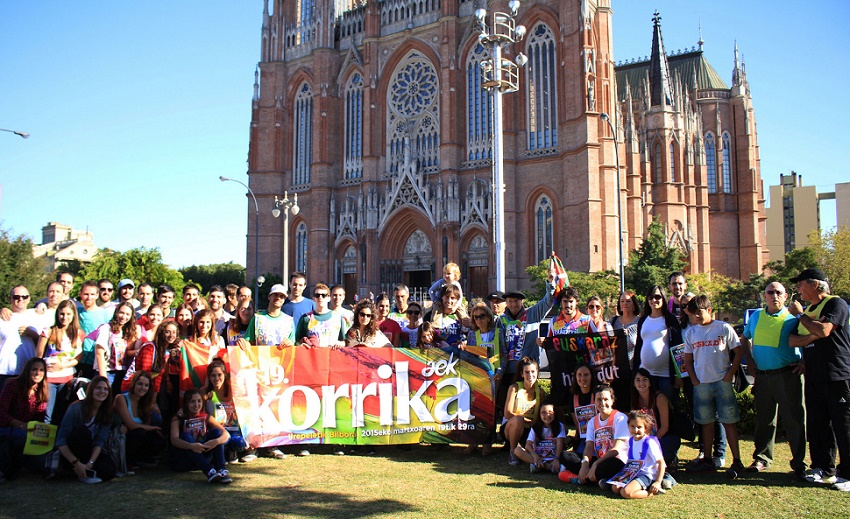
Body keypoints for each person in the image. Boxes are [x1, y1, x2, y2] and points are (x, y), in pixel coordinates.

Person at [787, 268, 850, 487]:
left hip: (837, 374)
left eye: (801, 283)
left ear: (815, 284)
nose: (798, 288)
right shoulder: (810, 310)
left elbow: (824, 331)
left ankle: (848, 474)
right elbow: (793, 341)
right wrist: (814, 331)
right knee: (818, 424)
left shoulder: (836, 304)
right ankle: (824, 468)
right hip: (813, 375)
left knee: (843, 425)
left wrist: (802, 317)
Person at [739, 281, 806, 478]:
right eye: (770, 292)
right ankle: (762, 458)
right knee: (764, 420)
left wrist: (806, 362)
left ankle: (799, 463)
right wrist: (749, 360)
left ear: (786, 296)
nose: (774, 295)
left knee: (794, 420)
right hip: (763, 377)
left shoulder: (793, 318)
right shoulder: (757, 316)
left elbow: (811, 338)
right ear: (764, 296)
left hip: (787, 375)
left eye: (778, 292)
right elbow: (745, 338)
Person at [683, 295, 745, 478]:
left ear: (709, 310)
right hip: (702, 384)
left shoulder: (723, 328)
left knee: (729, 422)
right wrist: (694, 379)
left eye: (700, 313)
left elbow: (738, 351)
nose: (696, 317)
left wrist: (729, 375)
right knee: (706, 423)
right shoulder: (691, 333)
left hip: (722, 383)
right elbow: (687, 358)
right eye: (693, 314)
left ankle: (737, 460)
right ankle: (708, 459)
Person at [236, 283, 294, 460]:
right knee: (256, 407)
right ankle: (253, 447)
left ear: (284, 300)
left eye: (282, 297)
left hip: (279, 371)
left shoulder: (288, 321)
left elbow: (293, 344)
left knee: (275, 408)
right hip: (258, 369)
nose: (278, 299)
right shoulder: (258, 318)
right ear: (269, 297)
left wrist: (292, 343)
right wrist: (244, 342)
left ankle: (273, 445)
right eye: (275, 295)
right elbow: (247, 340)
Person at [560, 385, 628, 487]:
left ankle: (582, 479)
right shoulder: (593, 421)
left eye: (606, 399)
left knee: (613, 464)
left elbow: (616, 450)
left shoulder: (620, 418)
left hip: (615, 460)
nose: (602, 403)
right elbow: (589, 447)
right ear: (595, 401)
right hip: (599, 461)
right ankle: (598, 479)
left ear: (612, 401)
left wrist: (595, 464)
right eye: (599, 400)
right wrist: (585, 463)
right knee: (565, 455)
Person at [56, 375, 117, 483]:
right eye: (98, 388)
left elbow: (99, 442)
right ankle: (76, 469)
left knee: (110, 471)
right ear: (91, 389)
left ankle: (86, 470)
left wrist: (90, 463)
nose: (102, 391)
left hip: (90, 451)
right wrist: (76, 463)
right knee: (83, 432)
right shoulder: (75, 408)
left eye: (105, 389)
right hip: (72, 452)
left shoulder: (107, 413)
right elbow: (61, 441)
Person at [463, 302, 505, 456]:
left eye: (482, 316)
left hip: (495, 376)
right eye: (476, 317)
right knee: (476, 409)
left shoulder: (498, 333)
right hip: (478, 377)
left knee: (491, 410)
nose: (479, 320)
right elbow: (471, 357)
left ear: (488, 317)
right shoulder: (472, 336)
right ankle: (473, 442)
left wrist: (500, 371)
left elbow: (504, 354)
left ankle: (488, 442)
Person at [169, 388, 231, 483]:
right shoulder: (178, 418)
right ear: (186, 403)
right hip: (184, 459)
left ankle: (221, 470)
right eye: (192, 402)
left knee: (217, 433)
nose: (196, 405)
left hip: (203, 454)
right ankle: (209, 471)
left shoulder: (207, 417)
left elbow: (226, 434)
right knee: (186, 435)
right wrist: (191, 446)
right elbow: (174, 440)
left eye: (199, 401)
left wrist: (215, 442)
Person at [0, 357, 49, 480]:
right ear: (27, 370)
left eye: (41, 370)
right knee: (20, 438)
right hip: (6, 427)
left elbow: (40, 416)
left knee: (42, 465)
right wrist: (21, 425)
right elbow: (1, 412)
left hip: (27, 430)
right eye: (34, 369)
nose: (38, 373)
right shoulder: (12, 384)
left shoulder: (42, 389)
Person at [36, 299, 83, 423]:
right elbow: (39, 356)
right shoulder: (48, 331)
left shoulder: (78, 334)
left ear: (73, 315)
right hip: (49, 377)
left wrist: (62, 365)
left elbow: (77, 359)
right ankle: (44, 441)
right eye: (62, 314)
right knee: (47, 413)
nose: (64, 317)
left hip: (67, 378)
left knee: (61, 413)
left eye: (68, 314)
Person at [632, 285, 681, 402]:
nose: (654, 300)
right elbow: (639, 346)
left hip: (666, 376)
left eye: (658, 297)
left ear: (663, 298)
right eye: (651, 297)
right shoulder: (643, 320)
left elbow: (678, 347)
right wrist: (635, 372)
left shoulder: (670, 320)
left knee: (668, 410)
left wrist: (678, 375)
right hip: (645, 375)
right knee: (648, 411)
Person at [612, 410, 672, 499]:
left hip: (647, 475)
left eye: (639, 427)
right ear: (628, 426)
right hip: (633, 472)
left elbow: (661, 462)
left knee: (626, 493)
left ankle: (652, 491)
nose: (635, 430)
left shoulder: (649, 443)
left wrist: (658, 482)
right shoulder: (631, 441)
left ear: (645, 428)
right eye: (632, 426)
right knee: (615, 489)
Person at [204, 359, 253, 463]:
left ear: (225, 375)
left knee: (240, 443)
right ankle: (224, 452)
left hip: (234, 428)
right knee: (223, 440)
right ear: (209, 377)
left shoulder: (234, 389)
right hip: (216, 429)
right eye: (213, 375)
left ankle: (233, 451)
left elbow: (246, 408)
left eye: (219, 375)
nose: (216, 378)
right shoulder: (204, 392)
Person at [114, 371, 166, 469]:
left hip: (138, 436)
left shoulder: (145, 402)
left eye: (146, 385)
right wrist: (153, 427)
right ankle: (129, 461)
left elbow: (146, 424)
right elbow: (131, 425)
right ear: (133, 383)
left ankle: (142, 459)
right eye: (140, 384)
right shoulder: (121, 398)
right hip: (123, 436)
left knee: (159, 440)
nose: (143, 388)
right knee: (139, 433)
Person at [630, 367, 680, 467]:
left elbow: (665, 427)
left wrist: (650, 442)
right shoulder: (635, 400)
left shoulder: (659, 398)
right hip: (644, 437)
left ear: (650, 382)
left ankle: (671, 460)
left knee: (659, 453)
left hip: (665, 437)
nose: (641, 383)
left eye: (645, 379)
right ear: (634, 384)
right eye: (638, 380)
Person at [502, 357, 547, 465]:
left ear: (537, 372)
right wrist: (525, 420)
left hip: (530, 429)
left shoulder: (540, 392)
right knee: (518, 420)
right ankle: (512, 451)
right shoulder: (514, 388)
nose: (530, 375)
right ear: (522, 374)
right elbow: (507, 414)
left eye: (533, 372)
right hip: (511, 426)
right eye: (527, 372)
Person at [95, 302, 141, 395]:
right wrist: (103, 378)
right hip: (107, 372)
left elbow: (127, 352)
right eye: (121, 313)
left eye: (127, 314)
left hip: (121, 372)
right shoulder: (106, 328)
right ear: (116, 312)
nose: (124, 316)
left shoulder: (125, 331)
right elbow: (99, 353)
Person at [0, 285, 40, 391]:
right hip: (5, 371)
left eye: (24, 296)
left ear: (29, 298)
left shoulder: (37, 316)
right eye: (16, 297)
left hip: (29, 372)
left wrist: (33, 335)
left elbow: (45, 344)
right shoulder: (2, 318)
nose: (20, 299)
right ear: (10, 299)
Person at [514, 402, 565, 474]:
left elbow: (560, 444)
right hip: (538, 457)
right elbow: (528, 445)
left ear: (554, 413)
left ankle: (539, 466)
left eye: (550, 412)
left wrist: (556, 458)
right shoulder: (535, 427)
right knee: (517, 450)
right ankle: (548, 467)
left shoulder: (559, 426)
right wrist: (535, 457)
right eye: (543, 413)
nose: (547, 415)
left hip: (553, 457)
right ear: (539, 414)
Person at [295, 284, 347, 349]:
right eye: (317, 295)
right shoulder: (306, 318)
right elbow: (297, 341)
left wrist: (341, 343)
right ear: (314, 298)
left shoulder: (338, 318)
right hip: (313, 356)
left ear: (328, 298)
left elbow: (344, 341)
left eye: (323, 295)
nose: (320, 297)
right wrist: (301, 345)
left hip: (332, 356)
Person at [76, 281, 109, 379]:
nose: (89, 297)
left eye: (92, 294)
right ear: (80, 294)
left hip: (96, 361)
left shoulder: (105, 314)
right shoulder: (76, 312)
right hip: (78, 359)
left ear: (97, 295)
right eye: (86, 294)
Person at [425, 285, 470, 349]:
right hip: (439, 353)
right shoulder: (431, 315)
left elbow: (469, 334)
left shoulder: (461, 315)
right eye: (447, 297)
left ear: (457, 299)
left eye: (452, 298)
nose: (449, 301)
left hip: (458, 353)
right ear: (442, 297)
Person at [566, 364, 598, 454]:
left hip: (599, 437)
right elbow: (577, 424)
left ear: (591, 376)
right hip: (584, 438)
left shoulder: (597, 394)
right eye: (579, 375)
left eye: (586, 375)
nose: (582, 378)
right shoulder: (573, 397)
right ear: (575, 377)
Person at [610, 290, 640, 362]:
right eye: (622, 301)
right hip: (616, 367)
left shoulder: (640, 322)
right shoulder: (613, 321)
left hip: (634, 367)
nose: (625, 303)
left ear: (634, 304)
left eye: (628, 301)